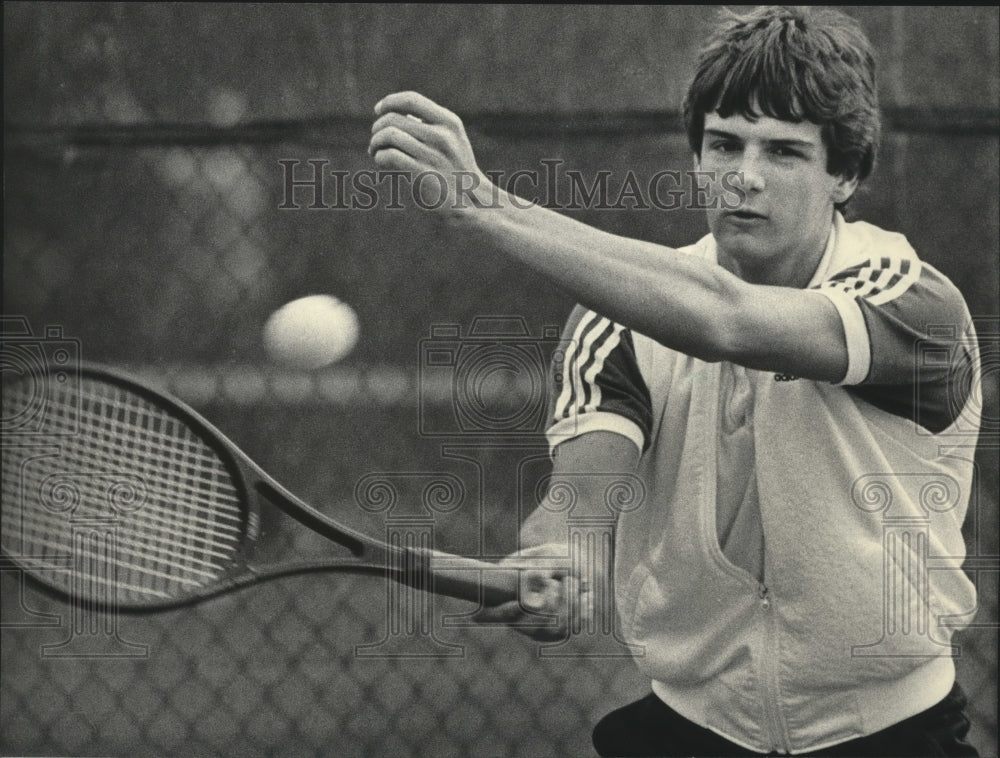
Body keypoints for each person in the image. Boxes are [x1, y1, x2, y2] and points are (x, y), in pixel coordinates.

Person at [369, 6, 982, 756]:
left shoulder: (912, 302)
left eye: (785, 153)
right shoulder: (619, 319)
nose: (744, 177)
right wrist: (560, 561)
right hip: (694, 729)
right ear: (696, 157)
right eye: (723, 144)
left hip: (892, 731)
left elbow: (725, 320)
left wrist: (484, 206)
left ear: (845, 175)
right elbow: (579, 506)